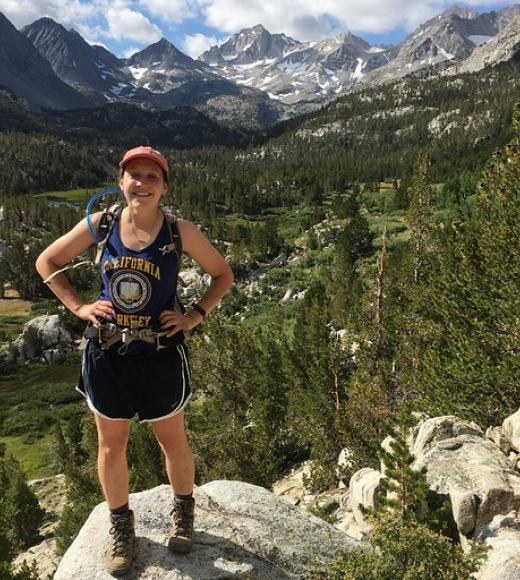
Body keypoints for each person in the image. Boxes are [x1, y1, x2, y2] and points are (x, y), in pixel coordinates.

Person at [35, 146, 234, 576]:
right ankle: (122, 527)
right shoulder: (101, 225)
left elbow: (223, 275)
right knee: (112, 446)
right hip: (108, 354)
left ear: (164, 187)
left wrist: (193, 317)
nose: (141, 184)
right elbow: (46, 261)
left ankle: (183, 515)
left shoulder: (180, 231)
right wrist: (79, 306)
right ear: (121, 180)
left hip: (160, 354)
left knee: (173, 440)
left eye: (151, 177)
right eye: (134, 175)